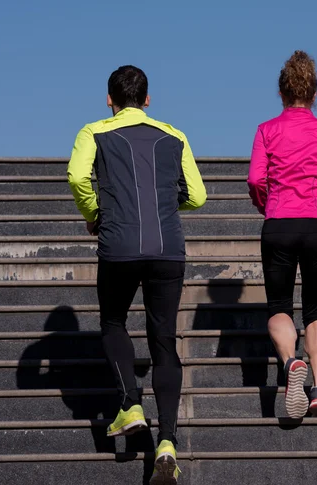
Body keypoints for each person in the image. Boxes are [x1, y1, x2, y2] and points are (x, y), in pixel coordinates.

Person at [67, 65, 207, 484]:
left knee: (112, 320)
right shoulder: (175, 135)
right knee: (163, 342)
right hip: (168, 249)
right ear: (148, 99)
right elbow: (197, 196)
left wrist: (96, 213)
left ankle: (130, 402)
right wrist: (166, 205)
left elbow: (76, 176)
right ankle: (167, 443)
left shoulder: (93, 132)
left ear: (109, 99)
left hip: (119, 245)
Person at [247, 51, 317, 419]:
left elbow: (255, 179)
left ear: (281, 93)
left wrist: (268, 206)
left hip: (279, 221)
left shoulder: (266, 130)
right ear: (314, 93)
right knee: (316, 310)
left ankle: (292, 361)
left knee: (279, 306)